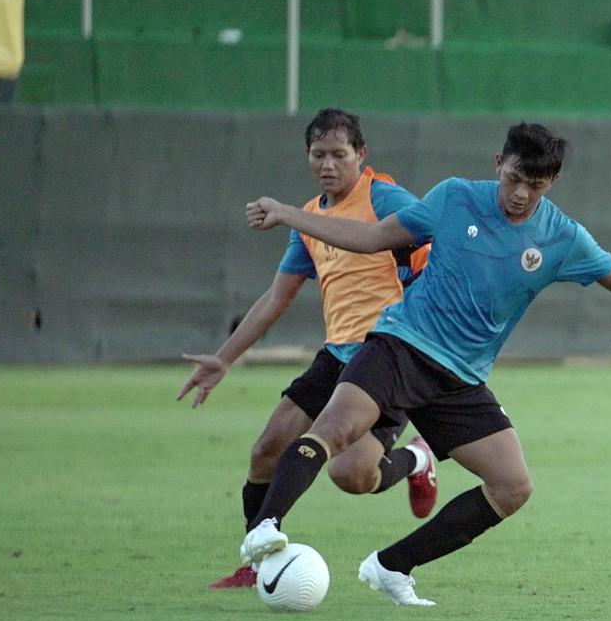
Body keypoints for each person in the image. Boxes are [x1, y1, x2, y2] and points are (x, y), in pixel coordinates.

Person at [239, 122, 611, 606]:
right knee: (337, 429)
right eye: (514, 178)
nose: (520, 194)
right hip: (401, 346)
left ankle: (392, 566)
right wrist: (287, 214)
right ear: (498, 164)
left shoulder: (562, 237)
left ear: (553, 181)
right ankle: (266, 525)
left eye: (535, 184)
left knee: (512, 487)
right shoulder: (455, 197)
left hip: (460, 378)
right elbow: (372, 238)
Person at [177, 108, 438, 590]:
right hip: (336, 356)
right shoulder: (309, 218)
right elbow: (277, 298)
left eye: (339, 154)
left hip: (388, 360)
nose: (328, 164)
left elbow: (435, 244)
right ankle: (256, 565)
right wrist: (224, 357)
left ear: (361, 154)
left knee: (350, 475)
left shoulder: (384, 199)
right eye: (319, 154)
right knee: (266, 451)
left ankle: (418, 460)